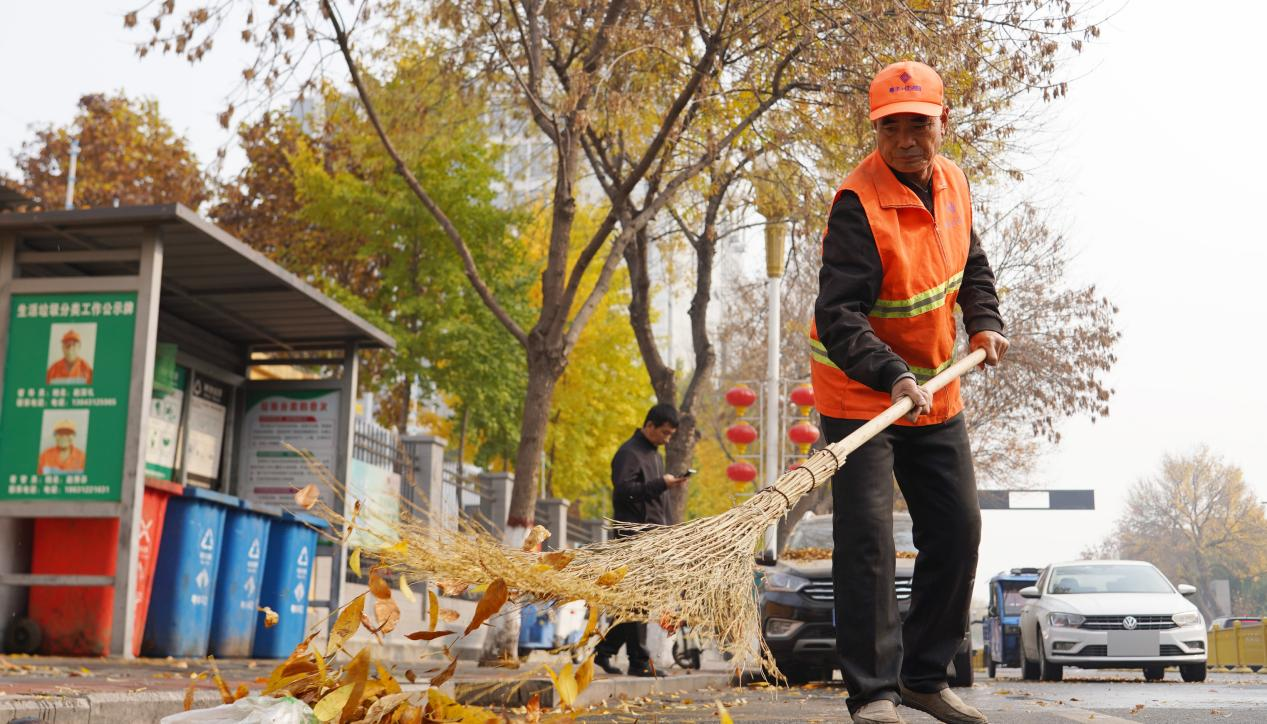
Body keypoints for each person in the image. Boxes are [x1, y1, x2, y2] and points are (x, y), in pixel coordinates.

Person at [810, 61, 1009, 724]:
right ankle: (873, 693)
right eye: (890, 126)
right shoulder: (855, 204)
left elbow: (969, 265)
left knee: (957, 528)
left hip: (933, 391)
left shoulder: (952, 183)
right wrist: (891, 373)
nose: (904, 138)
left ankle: (925, 677)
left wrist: (984, 321)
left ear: (941, 124)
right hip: (860, 393)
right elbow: (839, 315)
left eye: (918, 124)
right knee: (867, 540)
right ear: (875, 130)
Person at [594, 403, 689, 677]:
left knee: (636, 602)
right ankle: (638, 661)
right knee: (637, 600)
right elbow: (623, 492)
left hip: (653, 537)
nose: (667, 439)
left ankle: (604, 651)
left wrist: (670, 533)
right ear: (649, 426)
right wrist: (662, 483)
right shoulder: (629, 453)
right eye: (665, 433)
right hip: (632, 537)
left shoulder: (653, 454)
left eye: (671, 434)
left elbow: (659, 503)